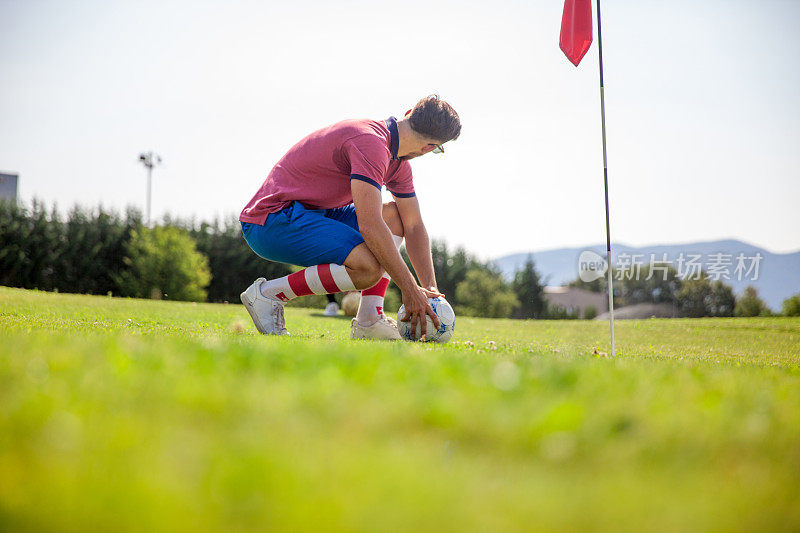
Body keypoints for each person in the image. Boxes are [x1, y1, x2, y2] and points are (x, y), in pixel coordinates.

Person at [239, 95, 461, 340]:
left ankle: (368, 320)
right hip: (270, 220)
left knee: (394, 215)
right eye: (438, 148)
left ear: (410, 112)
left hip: (310, 214)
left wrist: (429, 288)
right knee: (368, 268)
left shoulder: (395, 161)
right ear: (429, 147)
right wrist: (409, 289)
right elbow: (370, 225)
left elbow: (414, 225)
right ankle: (269, 294)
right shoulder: (371, 142)